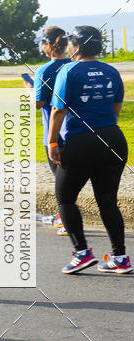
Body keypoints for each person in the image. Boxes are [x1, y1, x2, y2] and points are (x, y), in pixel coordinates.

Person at [48, 25, 131, 275]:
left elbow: (58, 110)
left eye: (72, 42)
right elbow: (116, 105)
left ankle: (82, 253)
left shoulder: (68, 70)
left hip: (82, 140)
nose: (69, 46)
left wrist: (52, 142)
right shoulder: (111, 70)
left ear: (78, 46)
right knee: (107, 201)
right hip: (114, 138)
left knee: (65, 198)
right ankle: (120, 257)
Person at [33, 26, 70, 236]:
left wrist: (29, 89)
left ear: (48, 45)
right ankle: (62, 216)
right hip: (75, 130)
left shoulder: (44, 70)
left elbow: (38, 103)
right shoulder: (74, 65)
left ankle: (66, 221)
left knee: (61, 182)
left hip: (55, 134)